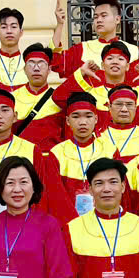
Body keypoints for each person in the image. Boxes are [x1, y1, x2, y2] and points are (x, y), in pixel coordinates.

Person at [53, 42, 139, 118]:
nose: (115, 62)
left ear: (128, 66)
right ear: (103, 65)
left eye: (120, 59)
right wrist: (81, 73)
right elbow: (59, 98)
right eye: (110, 58)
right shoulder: (91, 90)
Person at [48, 92, 113, 220]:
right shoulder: (56, 153)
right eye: (76, 116)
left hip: (103, 220)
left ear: (96, 119)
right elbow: (55, 196)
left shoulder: (109, 150)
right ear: (67, 121)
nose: (82, 122)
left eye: (88, 116)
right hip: (67, 222)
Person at [53, 0, 139, 77]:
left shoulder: (134, 52)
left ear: (117, 19)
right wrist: (60, 24)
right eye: (96, 17)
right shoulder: (82, 49)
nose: (99, 20)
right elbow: (55, 63)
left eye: (104, 15)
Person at [12, 43, 62, 147]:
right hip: (21, 159)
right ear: (25, 69)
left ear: (49, 69)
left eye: (41, 64)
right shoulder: (12, 98)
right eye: (31, 64)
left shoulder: (59, 98)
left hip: (51, 158)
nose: (36, 69)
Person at [100, 86, 139, 159]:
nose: (124, 109)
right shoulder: (97, 136)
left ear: (135, 107)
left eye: (129, 104)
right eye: (119, 104)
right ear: (109, 106)